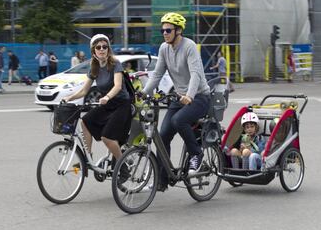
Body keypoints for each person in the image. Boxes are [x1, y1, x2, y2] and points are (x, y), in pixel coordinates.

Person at [141, 12, 211, 191]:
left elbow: (195, 74)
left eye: (168, 30)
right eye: (162, 30)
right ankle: (161, 181)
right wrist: (143, 93)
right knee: (162, 136)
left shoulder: (189, 47)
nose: (164, 33)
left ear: (178, 31)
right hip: (179, 97)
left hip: (199, 97)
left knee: (178, 120)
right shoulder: (164, 48)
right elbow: (157, 74)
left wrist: (190, 95)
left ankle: (196, 154)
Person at [62, 34, 132, 181]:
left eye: (104, 47)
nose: (102, 49)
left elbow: (118, 86)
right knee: (85, 121)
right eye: (98, 47)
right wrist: (69, 98)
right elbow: (83, 91)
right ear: (93, 51)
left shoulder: (115, 64)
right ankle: (88, 158)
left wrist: (106, 97)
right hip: (107, 104)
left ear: (108, 49)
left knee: (107, 137)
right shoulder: (94, 68)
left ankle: (122, 166)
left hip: (121, 105)